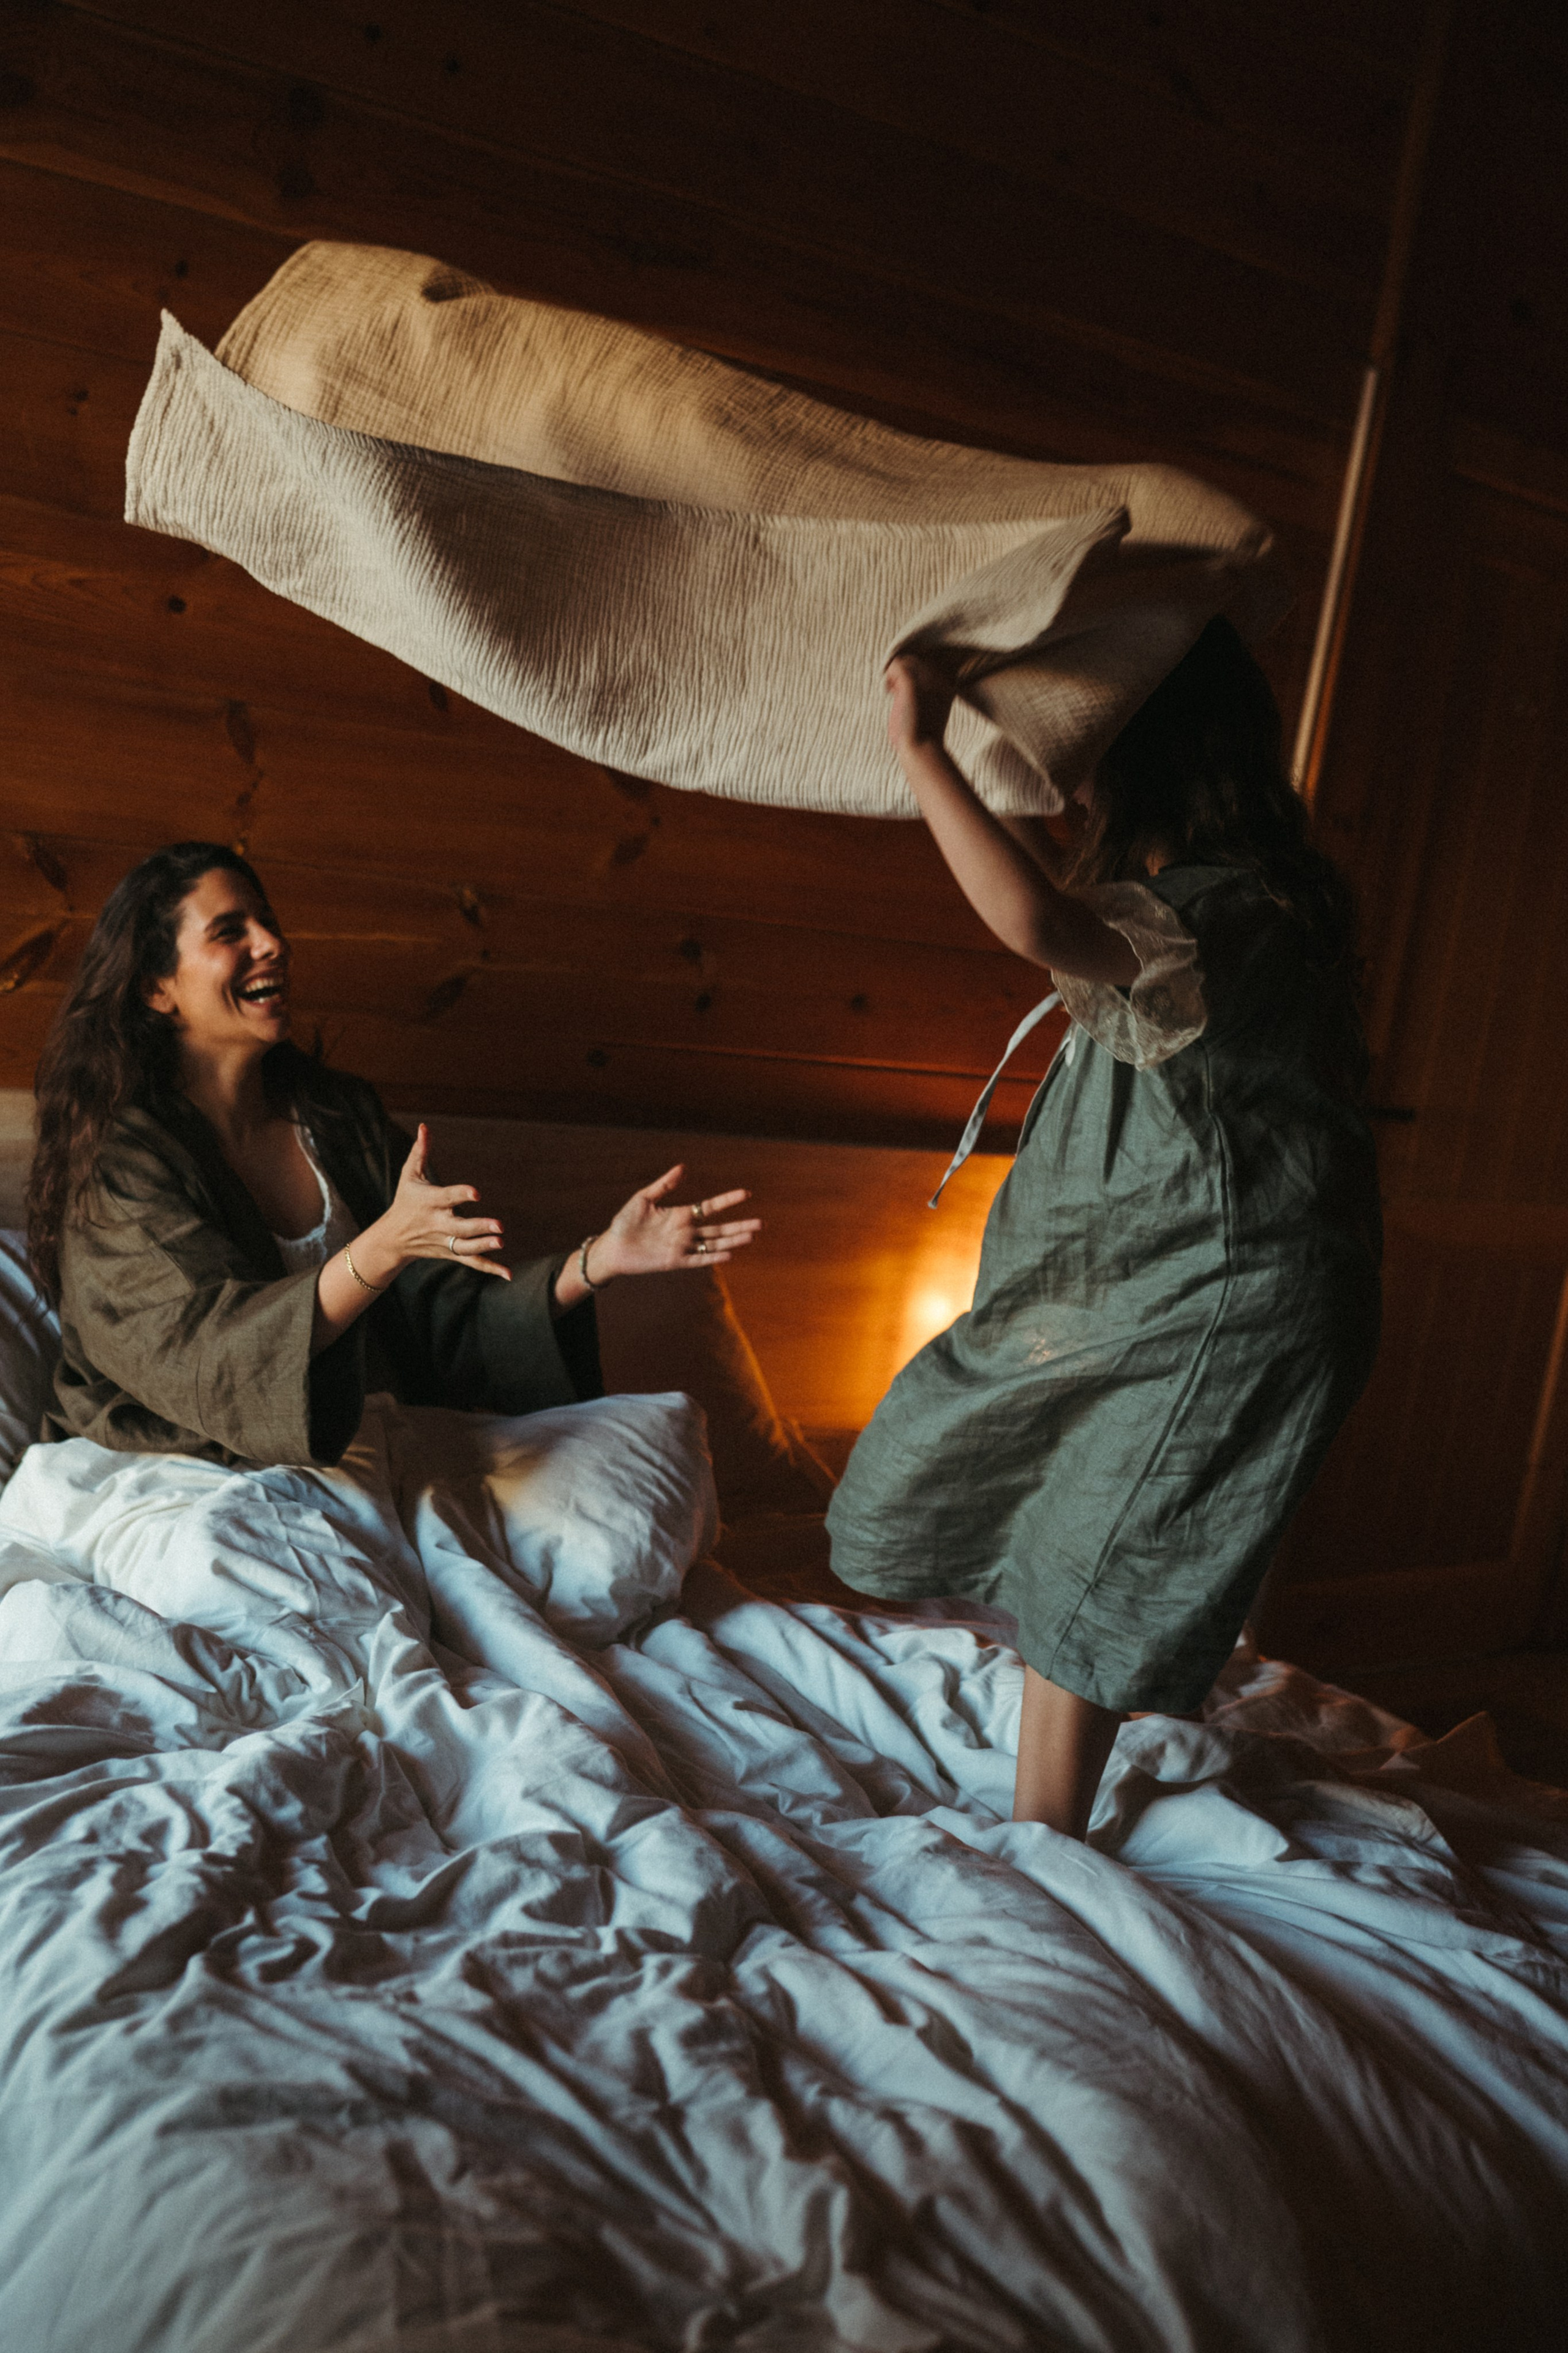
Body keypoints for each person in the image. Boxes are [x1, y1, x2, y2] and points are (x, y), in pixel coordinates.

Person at [826, 619, 1381, 1840]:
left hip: (1231, 1296)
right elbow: (1064, 914)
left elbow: (1037, 924)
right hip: (1157, 1280)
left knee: (1103, 1548)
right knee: (1062, 1526)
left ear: (1151, 761)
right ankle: (1042, 1815)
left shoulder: (1238, 916)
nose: (1072, 790)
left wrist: (920, 745)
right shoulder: (1184, 912)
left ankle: (1043, 1840)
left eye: (1088, 762)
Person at [27, 842, 760, 1469]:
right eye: (229, 931)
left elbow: (452, 1323)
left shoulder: (339, 1119)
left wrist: (598, 1260)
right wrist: (378, 1253)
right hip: (171, 1472)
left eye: (269, 923)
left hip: (367, 1455)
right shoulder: (119, 1162)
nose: (272, 944)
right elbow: (205, 1358)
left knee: (649, 1452)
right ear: (158, 987)